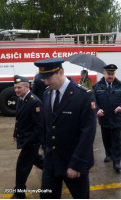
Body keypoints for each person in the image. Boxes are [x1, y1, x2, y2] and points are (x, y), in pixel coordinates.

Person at [34, 58, 96, 199]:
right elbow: (46, 124)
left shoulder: (83, 95)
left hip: (73, 163)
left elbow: (88, 133)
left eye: (48, 78)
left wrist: (77, 164)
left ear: (60, 72)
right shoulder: (47, 94)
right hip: (51, 162)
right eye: (43, 78)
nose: (45, 82)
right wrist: (45, 148)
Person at [11, 75, 44, 199]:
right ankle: (57, 171)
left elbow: (39, 127)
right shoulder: (21, 99)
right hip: (25, 138)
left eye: (19, 87)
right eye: (15, 87)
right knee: (38, 160)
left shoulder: (34, 101)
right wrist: (16, 133)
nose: (17, 90)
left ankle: (19, 194)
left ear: (27, 86)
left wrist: (30, 142)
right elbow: (19, 119)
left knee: (22, 167)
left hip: (31, 142)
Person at [93, 64, 121, 172]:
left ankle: (117, 161)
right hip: (103, 118)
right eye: (108, 74)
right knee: (106, 138)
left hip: (116, 117)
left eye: (112, 74)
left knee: (117, 140)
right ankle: (108, 154)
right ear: (104, 74)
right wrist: (97, 110)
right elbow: (93, 101)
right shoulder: (97, 86)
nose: (110, 76)